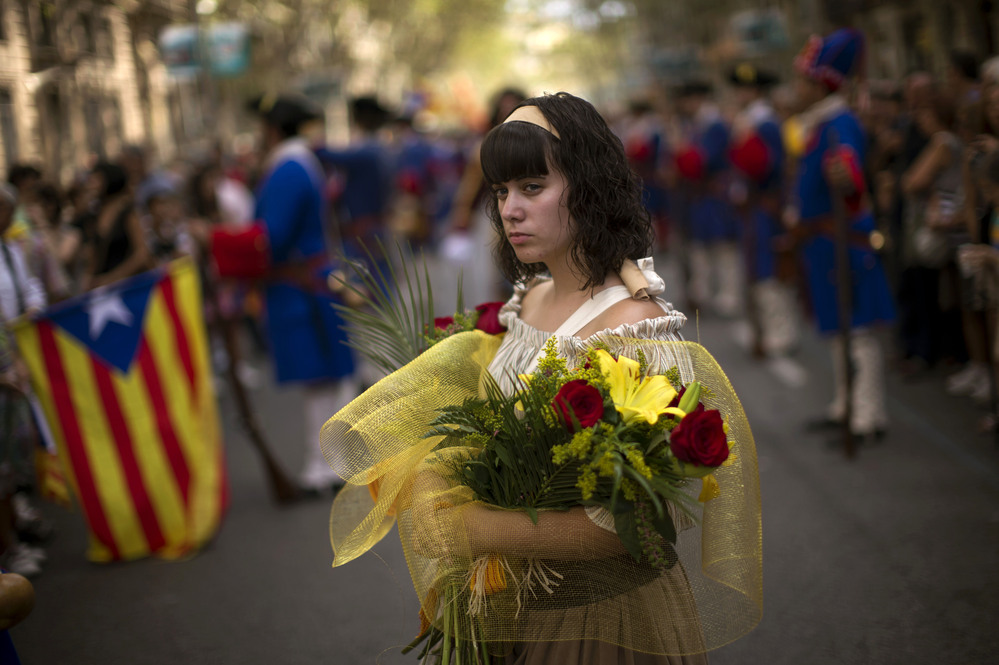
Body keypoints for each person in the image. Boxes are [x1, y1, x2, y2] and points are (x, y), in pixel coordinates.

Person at [326, 93, 761, 664]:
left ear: (587, 187)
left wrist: (478, 530)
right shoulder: (528, 299)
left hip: (599, 623)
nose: (509, 209)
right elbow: (479, 432)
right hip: (508, 610)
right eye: (502, 191)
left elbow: (649, 522)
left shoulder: (635, 327)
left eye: (533, 187)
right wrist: (434, 477)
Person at [212, 94, 357, 495]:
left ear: (272, 130)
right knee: (326, 378)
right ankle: (331, 462)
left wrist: (216, 241)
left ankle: (321, 467)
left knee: (318, 379)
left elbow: (269, 239)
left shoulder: (287, 168)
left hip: (299, 288)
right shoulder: (300, 163)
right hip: (309, 282)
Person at [791, 28, 896, 443]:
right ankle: (845, 404)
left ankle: (867, 415)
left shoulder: (840, 123)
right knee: (838, 330)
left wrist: (846, 177)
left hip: (843, 241)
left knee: (860, 333)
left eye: (803, 80)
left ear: (819, 84)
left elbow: (852, 179)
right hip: (822, 241)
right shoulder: (819, 123)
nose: (797, 89)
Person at [727, 63, 799, 359]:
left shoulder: (765, 123)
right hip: (754, 208)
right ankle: (771, 332)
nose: (739, 94)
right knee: (758, 272)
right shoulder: (750, 121)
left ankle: (781, 333)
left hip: (767, 208)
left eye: (745, 89)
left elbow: (764, 167)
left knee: (770, 272)